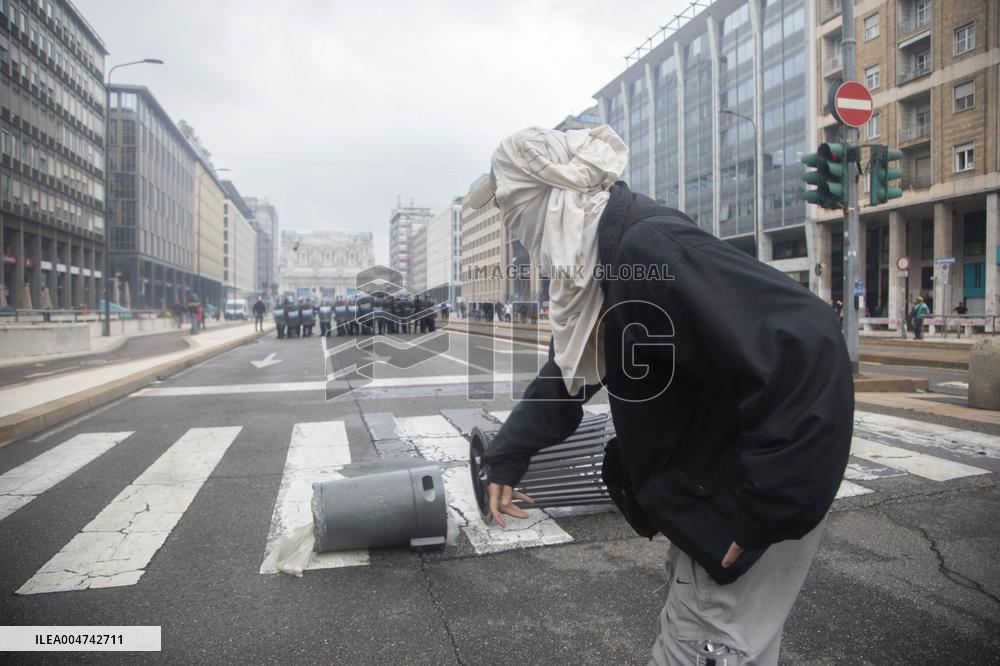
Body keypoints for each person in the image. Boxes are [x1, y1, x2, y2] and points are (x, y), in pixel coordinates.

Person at [469, 125, 853, 665]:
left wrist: (764, 510)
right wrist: (509, 454)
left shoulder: (644, 248)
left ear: (546, 194)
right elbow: (575, 369)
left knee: (701, 648)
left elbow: (806, 339)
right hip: (723, 487)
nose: (513, 229)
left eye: (511, 208)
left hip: (745, 494)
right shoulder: (602, 258)